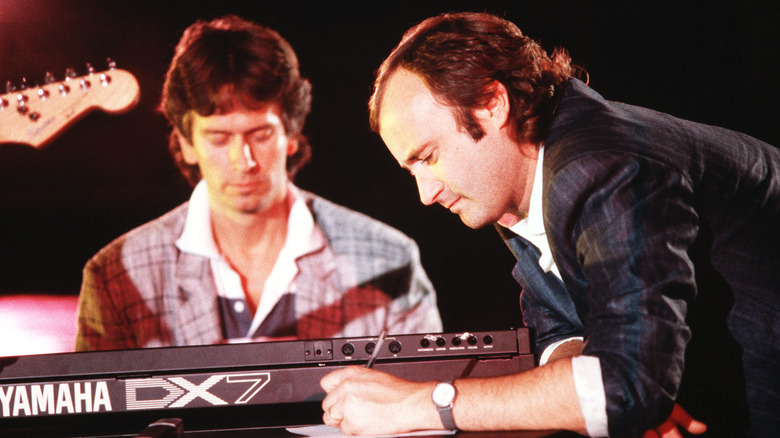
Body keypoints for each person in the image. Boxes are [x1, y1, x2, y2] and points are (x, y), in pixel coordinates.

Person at [320, 11, 779, 437]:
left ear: (491, 103)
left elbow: (627, 386)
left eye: (429, 157)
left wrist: (423, 402)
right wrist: (594, 398)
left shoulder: (601, 166)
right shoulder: (521, 184)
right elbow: (564, 330)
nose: (425, 193)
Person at [75, 15, 442, 351]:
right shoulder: (115, 276)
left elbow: (421, 406)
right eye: (219, 139)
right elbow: (95, 422)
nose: (243, 161)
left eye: (260, 134)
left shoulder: (389, 260)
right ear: (186, 142)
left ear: (292, 132)